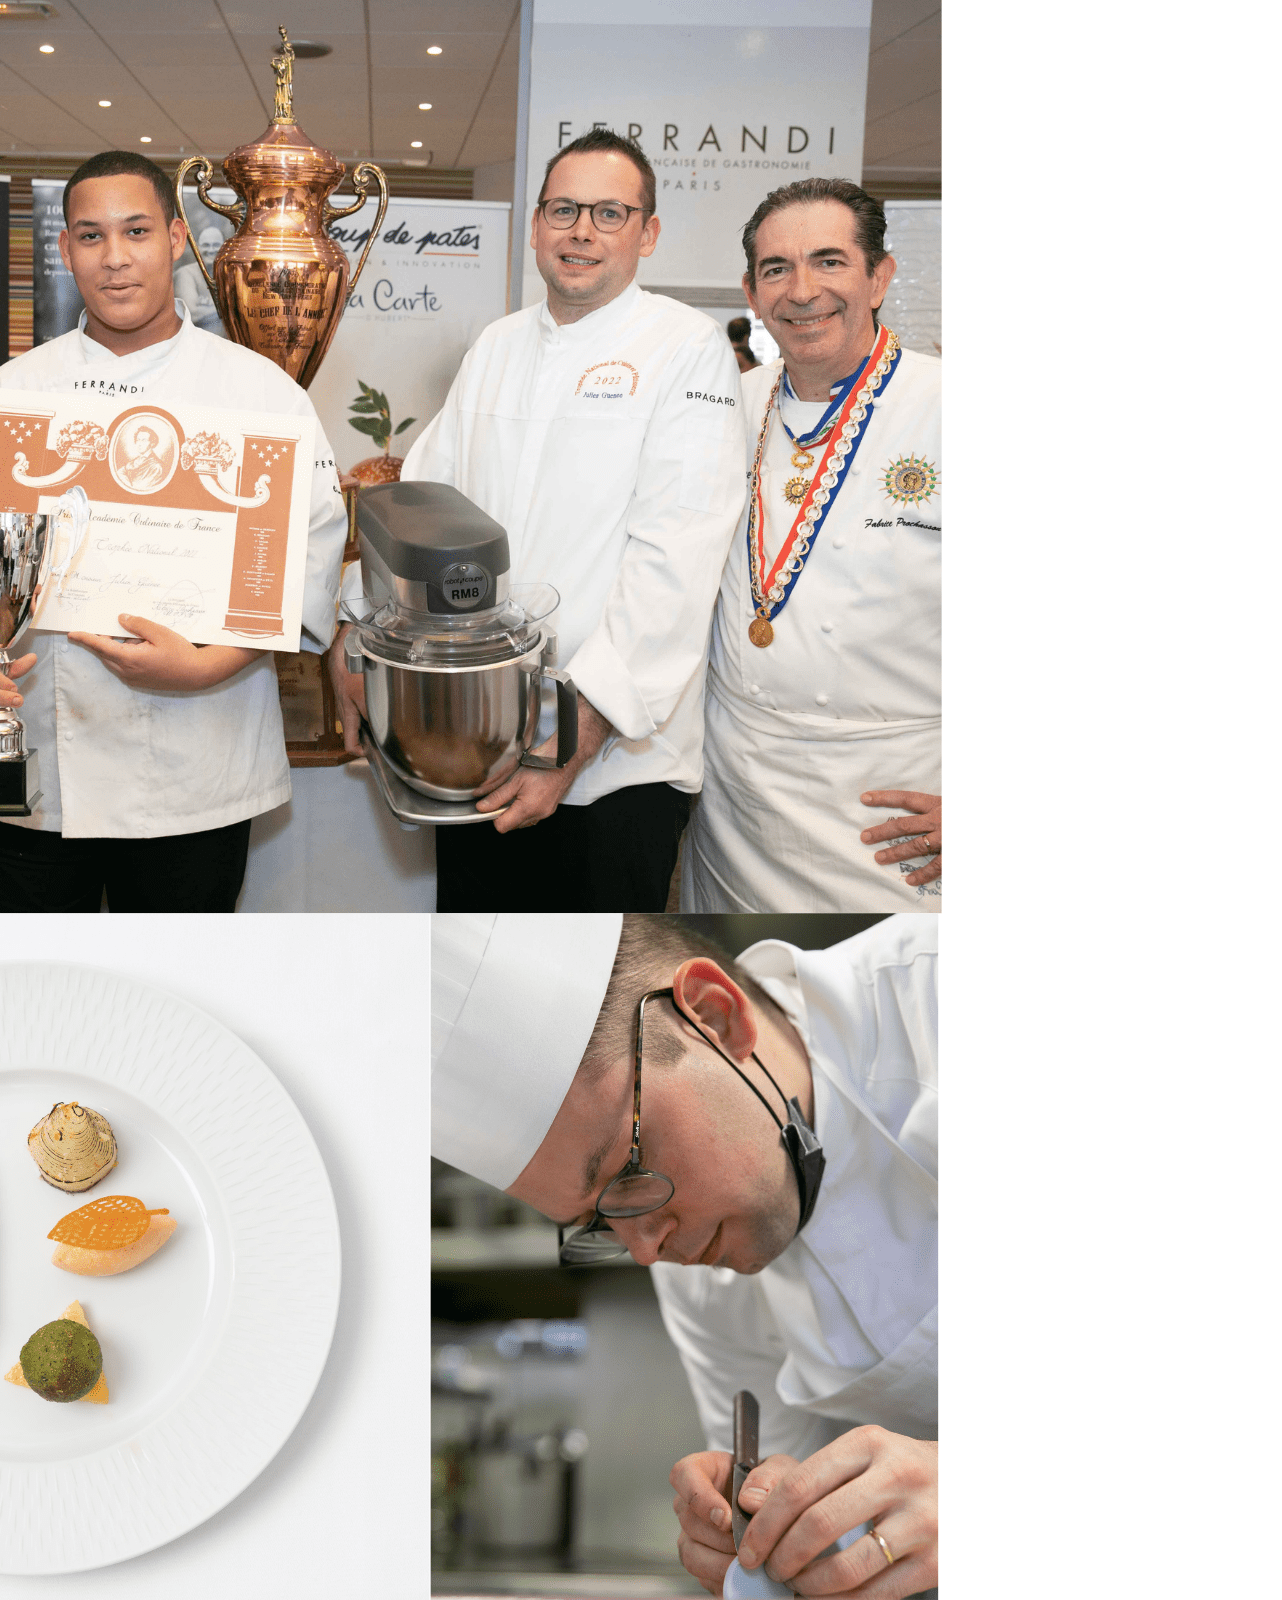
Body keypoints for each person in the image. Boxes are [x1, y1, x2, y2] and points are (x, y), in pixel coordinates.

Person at [432, 913, 937, 1598]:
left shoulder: (935, 1005)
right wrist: (768, 1532)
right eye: (597, 1222)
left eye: (629, 1171)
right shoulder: (701, 1277)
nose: (645, 1252)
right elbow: (819, 1539)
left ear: (715, 1017)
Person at [330, 129, 746, 912]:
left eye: (610, 212)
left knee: (586, 1004)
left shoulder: (684, 349)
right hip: (475, 741)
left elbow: (676, 565)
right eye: (562, 208)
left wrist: (573, 741)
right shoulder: (499, 343)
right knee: (473, 991)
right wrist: (358, 625)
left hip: (610, 768)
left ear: (647, 232)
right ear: (535, 226)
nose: (581, 230)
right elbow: (418, 501)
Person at [0, 150, 347, 912]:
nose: (115, 259)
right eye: (90, 236)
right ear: (64, 251)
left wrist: (208, 666)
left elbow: (305, 562)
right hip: (29, 765)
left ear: (179, 238)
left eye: (136, 232)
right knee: (29, 1003)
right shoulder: (12, 396)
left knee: (170, 1002)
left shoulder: (260, 396)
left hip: (195, 765)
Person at [682, 178, 943, 912]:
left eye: (829, 262)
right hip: (739, 805)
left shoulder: (946, 405)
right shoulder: (725, 406)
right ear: (751, 290)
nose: (802, 291)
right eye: (776, 269)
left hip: (893, 814)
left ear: (879, 276)